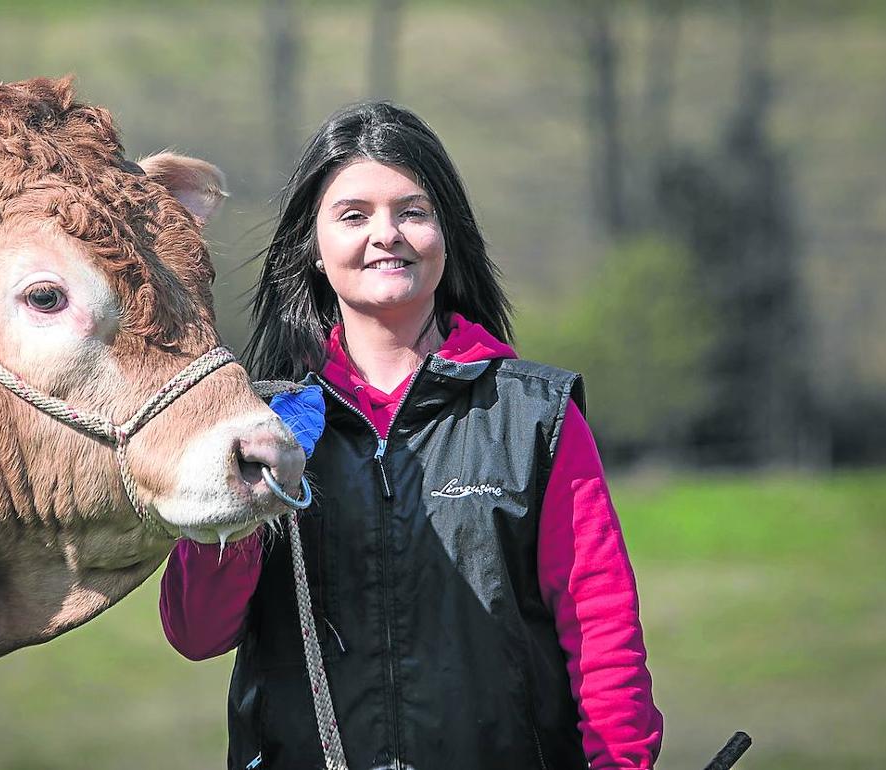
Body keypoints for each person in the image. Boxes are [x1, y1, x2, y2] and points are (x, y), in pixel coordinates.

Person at [158, 102, 663, 770]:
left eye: (413, 211)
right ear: (312, 247)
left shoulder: (534, 415)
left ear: (446, 235)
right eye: (353, 215)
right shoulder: (258, 427)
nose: (386, 234)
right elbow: (197, 633)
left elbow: (602, 626)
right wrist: (249, 496)